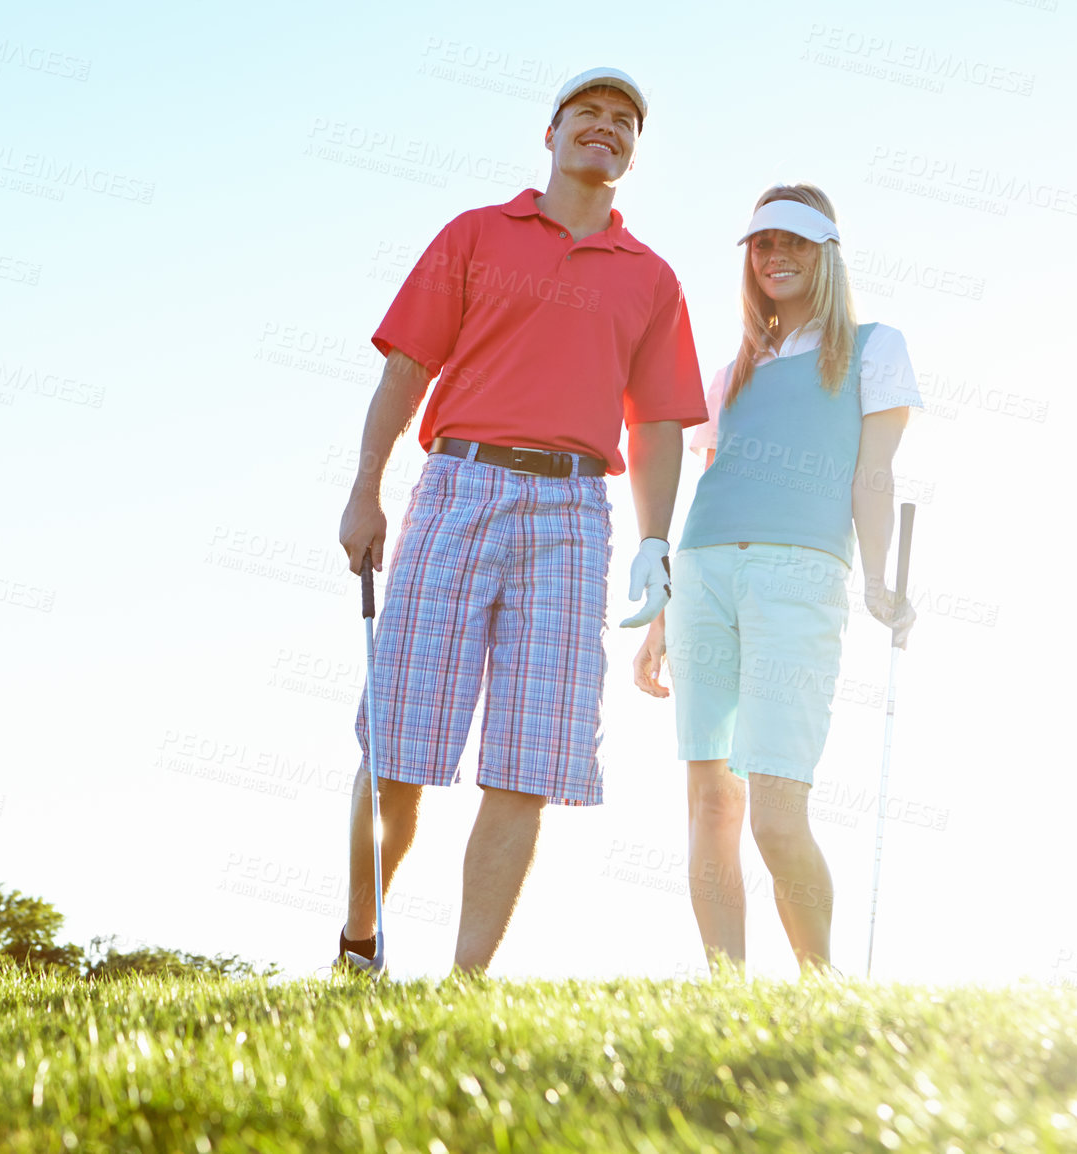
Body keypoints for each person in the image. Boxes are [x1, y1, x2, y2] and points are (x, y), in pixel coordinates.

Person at [335, 67, 707, 974]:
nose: (607, 128)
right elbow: (405, 370)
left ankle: (464, 984)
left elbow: (656, 424)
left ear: (632, 153)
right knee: (400, 749)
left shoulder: (650, 278)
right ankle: (359, 940)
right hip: (460, 487)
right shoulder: (474, 234)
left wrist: (657, 543)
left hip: (576, 511)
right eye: (589, 113)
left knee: (529, 760)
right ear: (551, 134)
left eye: (625, 122)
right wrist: (366, 487)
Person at [631, 184, 921, 973]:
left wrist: (877, 582)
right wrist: (663, 615)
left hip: (800, 576)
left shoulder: (873, 346)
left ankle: (819, 991)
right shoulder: (730, 375)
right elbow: (711, 487)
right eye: (762, 244)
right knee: (711, 801)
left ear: (826, 253)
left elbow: (873, 475)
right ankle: (728, 994)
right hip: (704, 575)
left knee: (775, 814)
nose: (776, 257)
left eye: (794, 242)